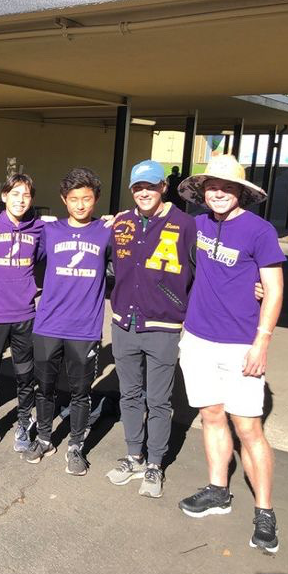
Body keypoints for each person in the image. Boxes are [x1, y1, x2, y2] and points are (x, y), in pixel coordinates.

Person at [175, 155, 285, 554]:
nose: (218, 193)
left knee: (249, 429)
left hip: (242, 345)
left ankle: (265, 511)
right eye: (212, 186)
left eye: (227, 187)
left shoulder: (261, 231)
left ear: (240, 192)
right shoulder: (198, 225)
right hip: (199, 339)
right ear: (203, 192)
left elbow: (273, 289)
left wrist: (263, 340)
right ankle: (218, 490)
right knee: (211, 416)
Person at [104, 160, 196, 497]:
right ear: (132, 190)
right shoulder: (121, 223)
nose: (145, 192)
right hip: (124, 323)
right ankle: (133, 456)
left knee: (158, 400)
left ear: (163, 188)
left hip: (163, 326)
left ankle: (155, 464)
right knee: (130, 395)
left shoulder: (186, 225)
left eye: (151, 186)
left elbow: (207, 273)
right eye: (138, 187)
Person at [23, 168, 112, 475]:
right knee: (44, 387)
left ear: (96, 198)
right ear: (64, 199)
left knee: (80, 391)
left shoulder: (107, 231)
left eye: (87, 198)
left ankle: (76, 446)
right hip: (48, 324)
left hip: (85, 327)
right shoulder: (50, 231)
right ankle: (45, 438)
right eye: (74, 199)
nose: (80, 205)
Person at [0, 173, 44, 453]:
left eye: (26, 195)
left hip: (24, 313)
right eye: (15, 194)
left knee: (25, 374)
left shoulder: (39, 228)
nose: (20, 200)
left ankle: (24, 423)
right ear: (3, 196)